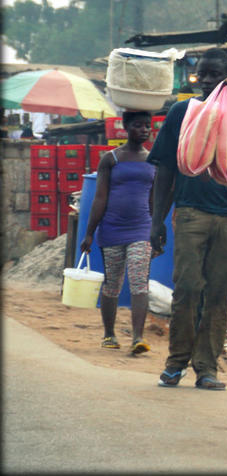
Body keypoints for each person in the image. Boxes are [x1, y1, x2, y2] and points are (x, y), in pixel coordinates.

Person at [148, 47, 227, 391]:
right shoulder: (182, 112)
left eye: (217, 74)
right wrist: (157, 221)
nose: (209, 81)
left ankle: (207, 367)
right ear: (196, 77)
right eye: (204, 74)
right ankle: (176, 363)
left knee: (219, 293)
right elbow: (165, 170)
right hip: (189, 214)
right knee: (186, 289)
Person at [79, 110, 156, 355]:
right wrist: (89, 232)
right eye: (138, 125)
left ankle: (137, 338)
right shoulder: (110, 159)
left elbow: (155, 199)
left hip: (141, 229)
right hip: (111, 229)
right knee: (112, 285)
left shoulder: (153, 159)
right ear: (126, 128)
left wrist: (157, 229)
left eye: (147, 126)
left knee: (139, 283)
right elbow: (100, 197)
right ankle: (109, 334)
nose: (144, 130)